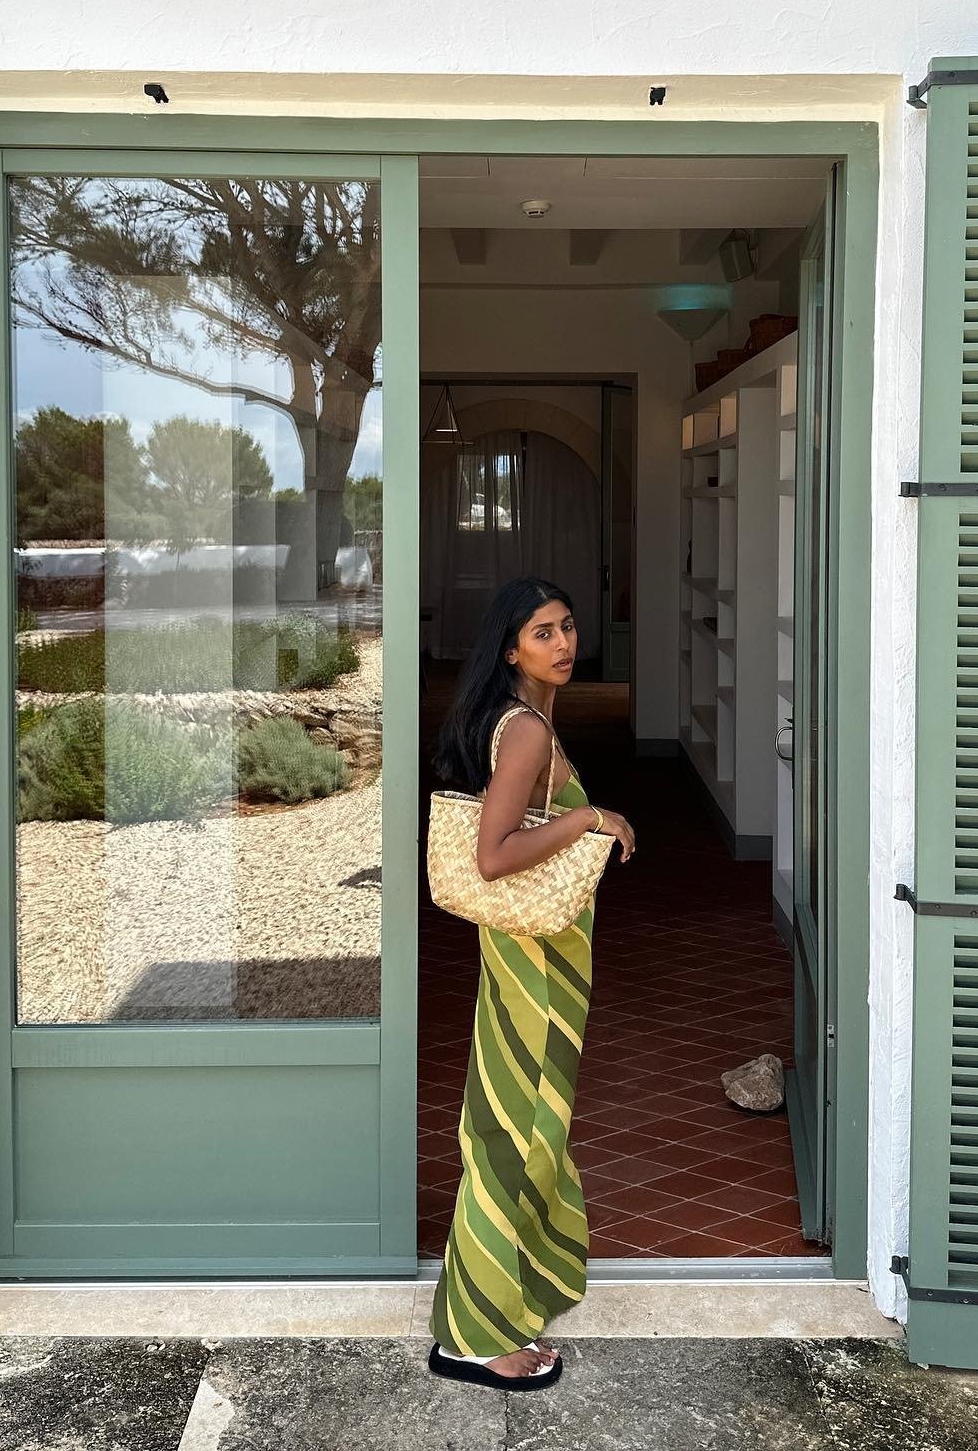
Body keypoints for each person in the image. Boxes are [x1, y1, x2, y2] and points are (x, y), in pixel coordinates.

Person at [426, 576, 636, 1392]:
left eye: (568, 627)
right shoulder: (524, 734)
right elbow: (494, 856)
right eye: (542, 632)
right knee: (514, 1133)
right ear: (509, 647)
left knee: (522, 1126)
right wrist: (591, 817)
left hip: (540, 957)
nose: (563, 643)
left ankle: (514, 1288)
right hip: (535, 969)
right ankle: (472, 1335)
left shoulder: (526, 718)